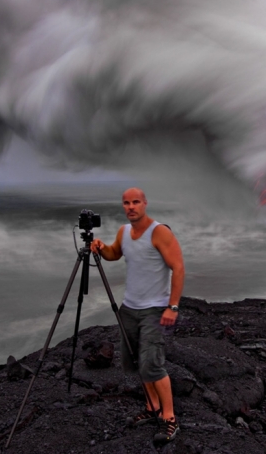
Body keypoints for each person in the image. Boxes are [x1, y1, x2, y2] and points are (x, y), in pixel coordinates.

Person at [91, 187, 184, 443]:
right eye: (126, 203)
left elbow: (178, 267)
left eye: (135, 202)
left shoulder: (159, 232)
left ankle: (170, 419)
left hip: (154, 309)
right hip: (129, 308)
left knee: (152, 364)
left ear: (145, 204)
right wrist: (101, 247)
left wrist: (172, 306)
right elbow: (115, 253)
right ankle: (152, 407)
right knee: (135, 362)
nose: (130, 207)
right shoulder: (124, 232)